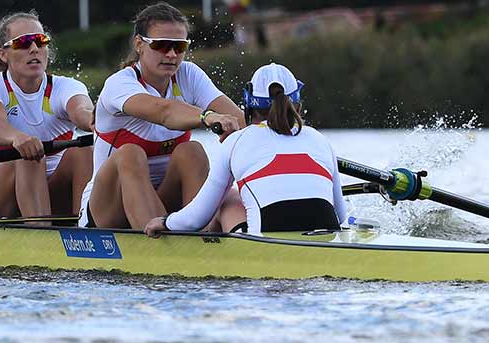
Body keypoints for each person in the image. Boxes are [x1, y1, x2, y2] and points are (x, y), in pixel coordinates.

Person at [80, 2, 246, 230]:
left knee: (193, 150)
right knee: (130, 153)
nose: (171, 54)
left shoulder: (189, 74)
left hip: (164, 199)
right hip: (107, 209)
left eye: (179, 47)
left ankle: (205, 241)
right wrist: (208, 117)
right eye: (161, 45)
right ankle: (165, 246)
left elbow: (240, 120)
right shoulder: (119, 84)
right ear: (139, 44)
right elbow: (163, 112)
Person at [145, 62, 346, 236]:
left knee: (226, 198)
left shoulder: (236, 141)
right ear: (298, 107)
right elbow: (342, 216)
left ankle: (214, 249)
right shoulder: (320, 139)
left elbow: (196, 218)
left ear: (248, 107)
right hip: (325, 232)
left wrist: (165, 222)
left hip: (266, 242)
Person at [0, 11, 94, 222]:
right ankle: (41, 234)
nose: (34, 48)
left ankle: (85, 231)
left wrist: (96, 121)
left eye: (40, 41)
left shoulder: (67, 86)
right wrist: (18, 138)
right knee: (27, 156)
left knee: (84, 151)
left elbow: (83, 113)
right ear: (3, 54)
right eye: (23, 43)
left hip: (51, 189)